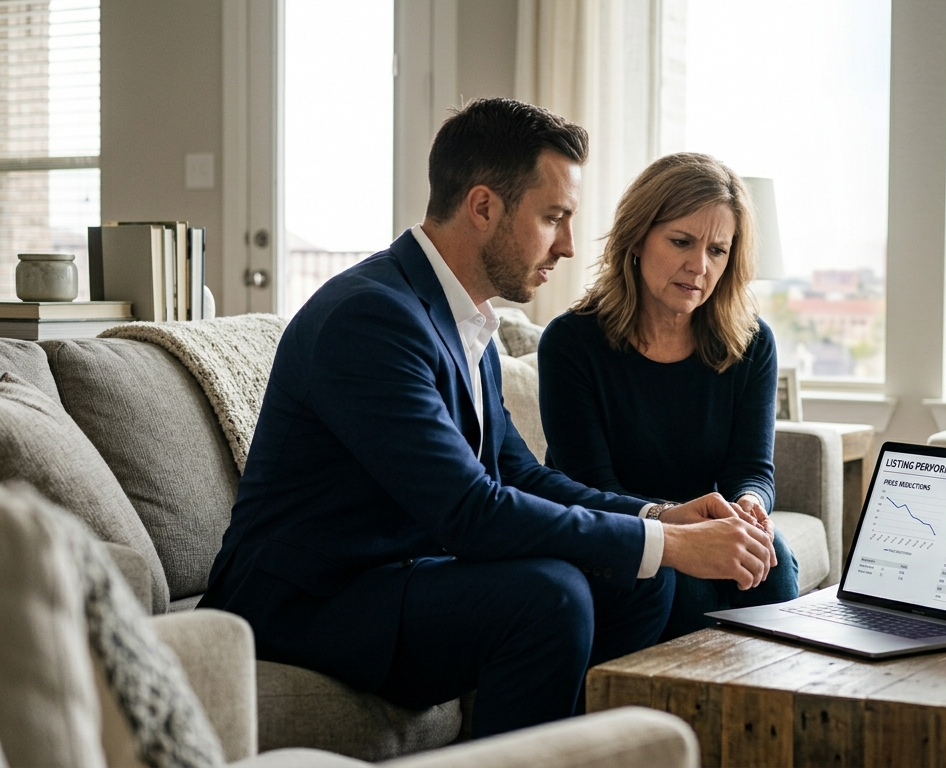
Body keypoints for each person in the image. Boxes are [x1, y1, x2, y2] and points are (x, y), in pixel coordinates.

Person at [199, 99, 777, 738]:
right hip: (310, 599)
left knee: (636, 581)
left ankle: (597, 748)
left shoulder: (466, 320)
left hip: (399, 574)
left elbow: (521, 476)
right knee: (551, 597)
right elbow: (470, 510)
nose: (567, 245)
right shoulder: (371, 318)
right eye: (553, 218)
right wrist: (672, 545)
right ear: (483, 207)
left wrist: (658, 517)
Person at [539, 153, 799, 640]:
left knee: (774, 557)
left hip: (709, 525)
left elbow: (752, 469)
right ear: (638, 238)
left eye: (717, 250)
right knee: (685, 586)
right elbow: (591, 485)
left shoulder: (752, 342)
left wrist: (749, 504)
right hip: (622, 534)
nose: (699, 266)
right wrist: (683, 528)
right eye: (681, 242)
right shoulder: (571, 342)